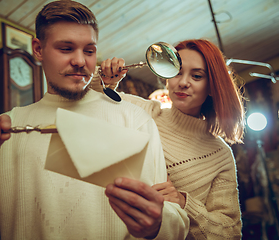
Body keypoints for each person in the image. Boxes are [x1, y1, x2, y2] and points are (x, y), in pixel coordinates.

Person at [0, 1, 190, 239]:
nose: (80, 61)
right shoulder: (8, 127)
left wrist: (158, 225)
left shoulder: (134, 118)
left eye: (89, 50)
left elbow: (172, 218)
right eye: (66, 48)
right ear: (38, 49)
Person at [95, 39, 245, 239]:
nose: (183, 82)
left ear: (211, 85)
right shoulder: (144, 111)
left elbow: (230, 233)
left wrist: (184, 203)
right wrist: (104, 81)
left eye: (197, 76)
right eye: (177, 71)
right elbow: (83, 104)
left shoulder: (221, 155)